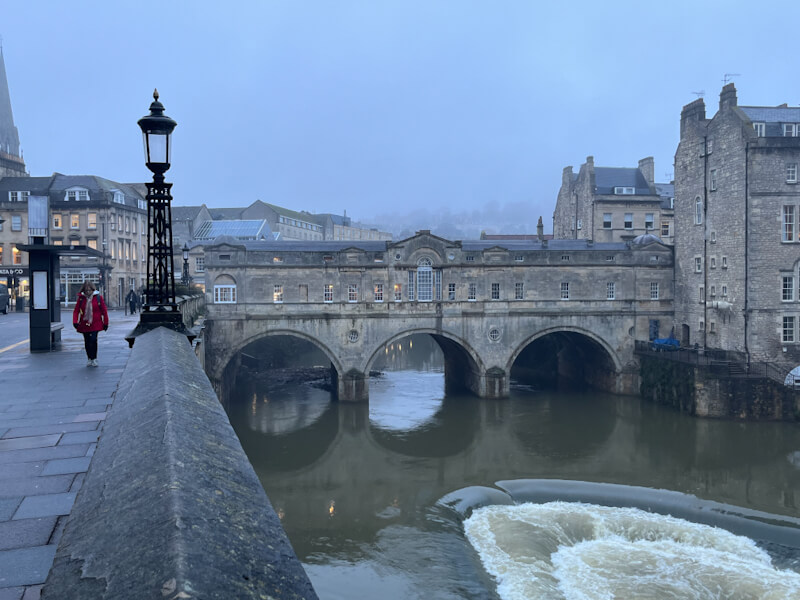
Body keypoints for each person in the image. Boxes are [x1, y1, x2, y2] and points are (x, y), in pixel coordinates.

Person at [73, 281, 109, 367]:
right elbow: (76, 311)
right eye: (86, 290)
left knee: (93, 339)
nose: (88, 292)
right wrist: (75, 322)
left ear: (93, 290)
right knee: (87, 341)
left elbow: (104, 311)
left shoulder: (98, 298)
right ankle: (89, 358)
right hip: (84, 323)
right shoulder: (81, 299)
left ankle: (94, 358)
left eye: (89, 290)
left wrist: (106, 323)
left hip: (96, 323)